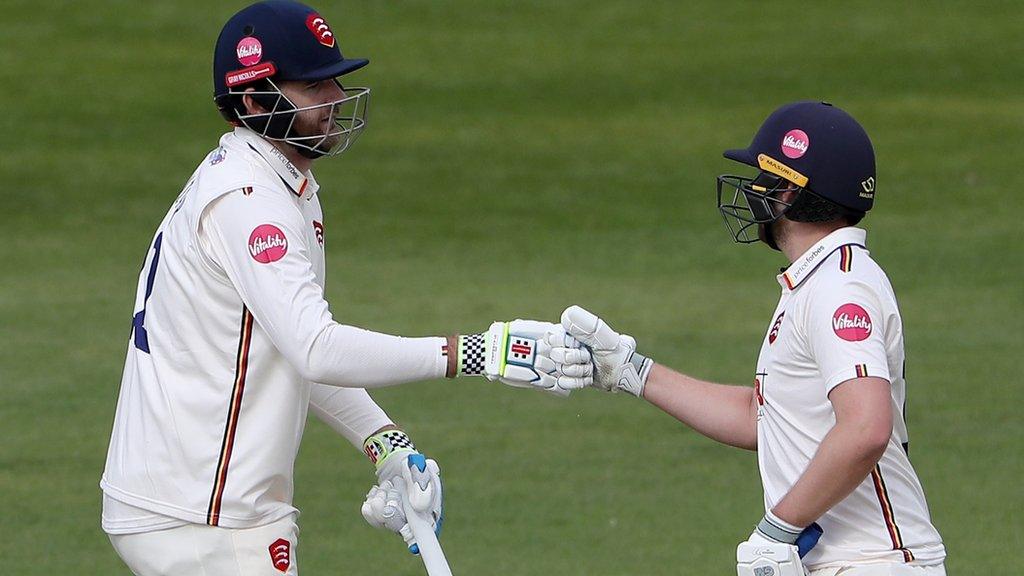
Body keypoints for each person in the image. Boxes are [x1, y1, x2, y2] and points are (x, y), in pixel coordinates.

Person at [99, 2, 591, 574]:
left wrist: (385, 441)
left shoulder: (282, 183)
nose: (334, 97)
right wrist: (477, 353)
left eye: (334, 80)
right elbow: (315, 346)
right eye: (313, 85)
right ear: (254, 101)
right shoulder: (249, 203)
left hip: (191, 504)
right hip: (207, 516)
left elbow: (289, 350)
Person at [559, 101, 946, 575]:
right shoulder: (816, 281)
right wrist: (632, 371)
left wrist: (779, 528)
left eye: (767, 179)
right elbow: (764, 419)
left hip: (873, 562)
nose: (755, 190)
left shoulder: (840, 287)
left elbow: (866, 428)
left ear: (795, 192)